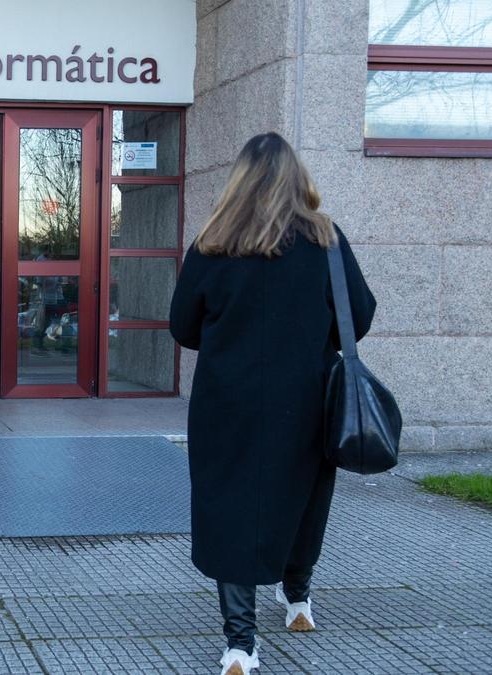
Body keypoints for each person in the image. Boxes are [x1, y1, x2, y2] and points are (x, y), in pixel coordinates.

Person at [169, 132, 376, 675]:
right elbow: (361, 315)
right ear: (296, 178)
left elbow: (181, 327)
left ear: (239, 180)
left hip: (226, 402)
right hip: (305, 399)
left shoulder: (212, 242)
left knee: (229, 508)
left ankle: (240, 645)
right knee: (303, 498)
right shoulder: (327, 240)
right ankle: (299, 599)